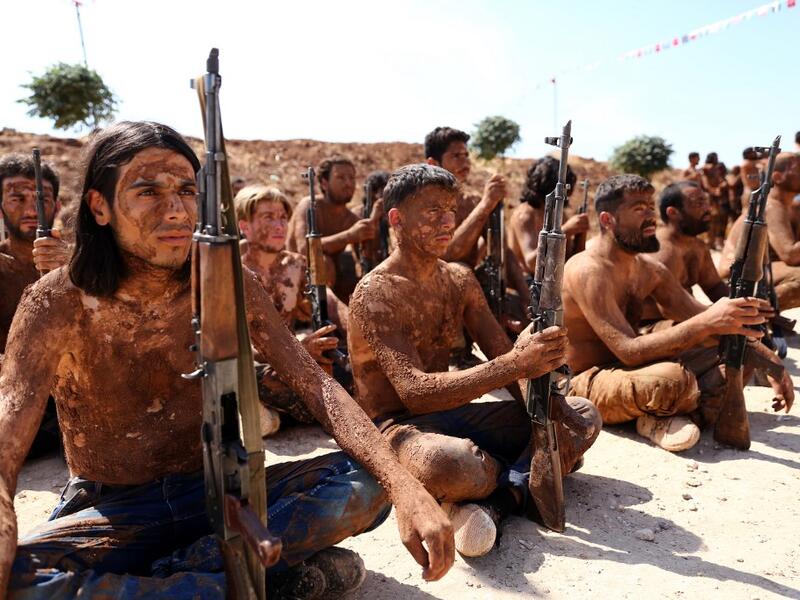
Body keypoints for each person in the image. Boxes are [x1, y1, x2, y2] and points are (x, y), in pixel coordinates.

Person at [0, 122, 454, 599]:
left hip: (216, 491)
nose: (176, 210)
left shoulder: (224, 279)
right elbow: (7, 435)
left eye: (186, 191)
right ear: (100, 206)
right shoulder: (55, 301)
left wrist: (405, 487)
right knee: (18, 578)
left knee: (368, 482)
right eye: (148, 192)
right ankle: (251, 581)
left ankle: (185, 580)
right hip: (113, 510)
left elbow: (316, 385)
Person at [347, 163, 600, 559]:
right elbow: (415, 392)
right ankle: (518, 483)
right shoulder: (375, 292)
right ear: (396, 220)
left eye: (451, 210)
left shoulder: (459, 278)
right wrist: (518, 364)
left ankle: (498, 496)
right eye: (433, 211)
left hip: (453, 412)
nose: (448, 221)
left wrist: (545, 410)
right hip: (396, 426)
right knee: (447, 464)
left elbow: (502, 353)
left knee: (582, 416)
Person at [562, 174, 792, 453]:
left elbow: (697, 316)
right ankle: (674, 412)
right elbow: (628, 350)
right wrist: (708, 322)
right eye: (639, 209)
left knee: (737, 353)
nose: (651, 216)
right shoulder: (588, 270)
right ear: (608, 220)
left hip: (632, 369)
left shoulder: (648, 268)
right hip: (587, 378)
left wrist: (769, 360)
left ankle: (664, 414)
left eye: (651, 207)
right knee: (672, 380)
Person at [235, 184, 346, 429]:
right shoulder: (230, 270)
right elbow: (231, 346)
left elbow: (330, 302)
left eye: (283, 218)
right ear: (245, 227)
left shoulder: (296, 264)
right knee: (252, 379)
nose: (280, 225)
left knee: (349, 371)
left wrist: (358, 331)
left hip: (293, 360)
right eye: (268, 217)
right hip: (252, 363)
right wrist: (296, 351)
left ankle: (270, 417)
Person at [0, 153, 66, 459]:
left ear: (57, 206)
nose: (30, 210)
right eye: (17, 199)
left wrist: (68, 273)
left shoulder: (80, 263)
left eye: (41, 199)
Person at [286, 156, 381, 303]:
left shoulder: (350, 218)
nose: (348, 183)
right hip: (296, 280)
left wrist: (373, 225)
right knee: (323, 263)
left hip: (333, 282)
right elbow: (305, 249)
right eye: (340, 178)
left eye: (351, 178)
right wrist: (349, 236)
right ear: (324, 183)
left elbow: (368, 261)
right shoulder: (309, 206)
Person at [719, 153, 800, 311]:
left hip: (763, 269)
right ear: (777, 177)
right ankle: (752, 315)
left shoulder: (791, 207)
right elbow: (790, 255)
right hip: (736, 277)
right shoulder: (772, 206)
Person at [641, 181, 728, 325]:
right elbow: (671, 309)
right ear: (673, 212)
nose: (708, 209)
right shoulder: (662, 251)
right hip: (653, 326)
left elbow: (714, 287)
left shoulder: (698, 246)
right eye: (698, 204)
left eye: (706, 202)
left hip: (684, 319)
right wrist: (720, 319)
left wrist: (745, 305)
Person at [507, 157, 590, 276]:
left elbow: (571, 260)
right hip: (527, 282)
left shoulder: (558, 214)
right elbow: (531, 263)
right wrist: (565, 231)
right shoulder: (525, 215)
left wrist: (580, 234)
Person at [701, 153, 729, 249]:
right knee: (711, 219)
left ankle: (712, 242)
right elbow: (705, 182)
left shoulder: (715, 168)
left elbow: (719, 180)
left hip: (716, 197)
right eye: (716, 158)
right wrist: (713, 190)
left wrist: (720, 186)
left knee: (716, 220)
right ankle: (710, 242)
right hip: (710, 197)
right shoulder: (707, 167)